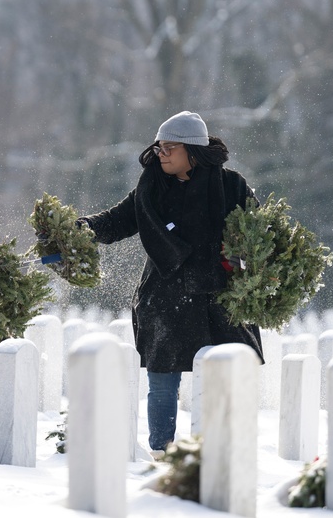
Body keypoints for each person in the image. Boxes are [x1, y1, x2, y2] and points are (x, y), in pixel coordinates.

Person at [77, 110, 264, 454]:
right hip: (166, 297)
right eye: (159, 147)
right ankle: (161, 452)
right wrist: (84, 227)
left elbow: (260, 234)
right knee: (162, 383)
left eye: (169, 148)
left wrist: (245, 261)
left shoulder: (231, 185)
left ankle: (225, 452)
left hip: (220, 297)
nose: (161, 154)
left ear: (192, 150)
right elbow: (117, 221)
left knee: (227, 379)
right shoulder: (151, 188)